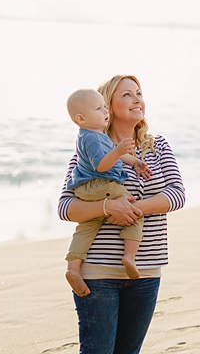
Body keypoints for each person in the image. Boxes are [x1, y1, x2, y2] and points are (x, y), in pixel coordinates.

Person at [58, 75, 186, 354]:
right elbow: (65, 207)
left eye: (139, 93)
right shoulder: (90, 147)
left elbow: (177, 195)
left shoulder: (158, 146)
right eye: (126, 94)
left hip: (146, 269)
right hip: (98, 272)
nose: (136, 98)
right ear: (106, 105)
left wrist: (133, 209)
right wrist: (107, 208)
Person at [64, 88, 153, 295]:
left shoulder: (96, 135)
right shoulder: (92, 138)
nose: (105, 111)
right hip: (102, 185)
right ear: (81, 118)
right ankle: (129, 256)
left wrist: (135, 161)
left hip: (87, 190)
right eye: (99, 108)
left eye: (104, 107)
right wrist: (119, 150)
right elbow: (102, 165)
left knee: (86, 229)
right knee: (133, 212)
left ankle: (73, 268)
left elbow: (119, 157)